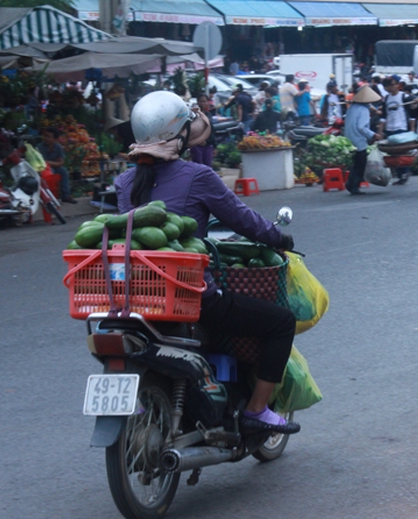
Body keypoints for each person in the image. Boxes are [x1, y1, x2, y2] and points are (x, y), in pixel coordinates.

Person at [114, 91, 299, 435]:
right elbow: (244, 220)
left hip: (136, 298)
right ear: (179, 135)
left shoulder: (124, 183)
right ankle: (256, 411)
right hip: (191, 297)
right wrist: (279, 238)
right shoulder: (198, 176)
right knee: (281, 323)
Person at [344, 85, 382, 195]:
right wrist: (372, 135)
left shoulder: (352, 107)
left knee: (355, 163)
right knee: (360, 164)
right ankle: (354, 185)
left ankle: (350, 183)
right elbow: (361, 127)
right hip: (358, 140)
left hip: (350, 138)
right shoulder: (363, 110)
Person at [379, 76, 412, 185]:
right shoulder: (386, 99)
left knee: (402, 151)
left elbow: (412, 116)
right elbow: (383, 116)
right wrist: (380, 131)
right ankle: (399, 174)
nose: (390, 88)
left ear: (398, 85)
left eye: (392, 85)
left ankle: (404, 172)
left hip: (401, 128)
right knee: (392, 152)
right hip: (390, 128)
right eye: (387, 86)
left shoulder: (404, 97)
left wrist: (412, 130)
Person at [39, 127, 76, 204]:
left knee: (63, 171)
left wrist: (50, 163)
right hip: (43, 169)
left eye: (48, 136)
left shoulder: (58, 147)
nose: (46, 138)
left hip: (54, 167)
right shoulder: (40, 147)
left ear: (55, 139)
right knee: (50, 173)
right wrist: (53, 163)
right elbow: (41, 163)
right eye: (45, 136)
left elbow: (61, 162)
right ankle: (50, 197)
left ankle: (66, 195)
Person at [189, 94, 217, 168]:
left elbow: (212, 130)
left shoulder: (209, 115)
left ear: (208, 102)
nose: (203, 103)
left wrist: (214, 146)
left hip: (208, 145)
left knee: (208, 168)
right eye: (201, 101)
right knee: (198, 167)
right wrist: (199, 140)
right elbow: (192, 129)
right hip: (197, 145)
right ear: (198, 102)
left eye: (205, 101)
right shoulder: (193, 115)